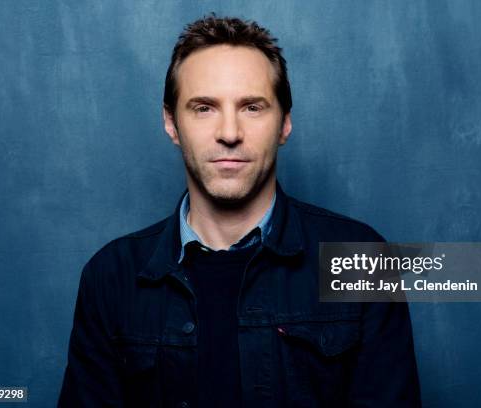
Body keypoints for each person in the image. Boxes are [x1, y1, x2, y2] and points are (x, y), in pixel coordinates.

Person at [58, 14, 421, 407]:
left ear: (284, 123)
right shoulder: (110, 277)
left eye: (251, 107)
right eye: (204, 108)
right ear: (170, 123)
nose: (229, 133)